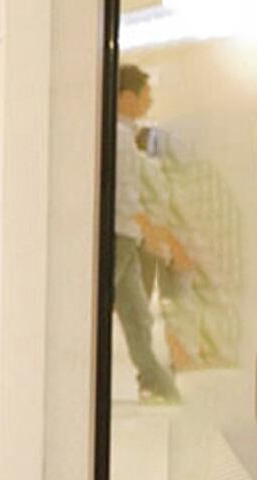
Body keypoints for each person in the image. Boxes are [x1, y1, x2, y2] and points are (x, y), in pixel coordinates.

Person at [114, 65, 180, 403]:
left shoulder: (124, 135)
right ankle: (156, 382)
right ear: (128, 97)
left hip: (126, 237)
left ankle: (155, 382)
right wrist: (150, 231)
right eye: (146, 95)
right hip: (120, 237)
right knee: (120, 311)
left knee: (138, 313)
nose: (149, 102)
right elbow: (124, 196)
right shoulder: (119, 138)